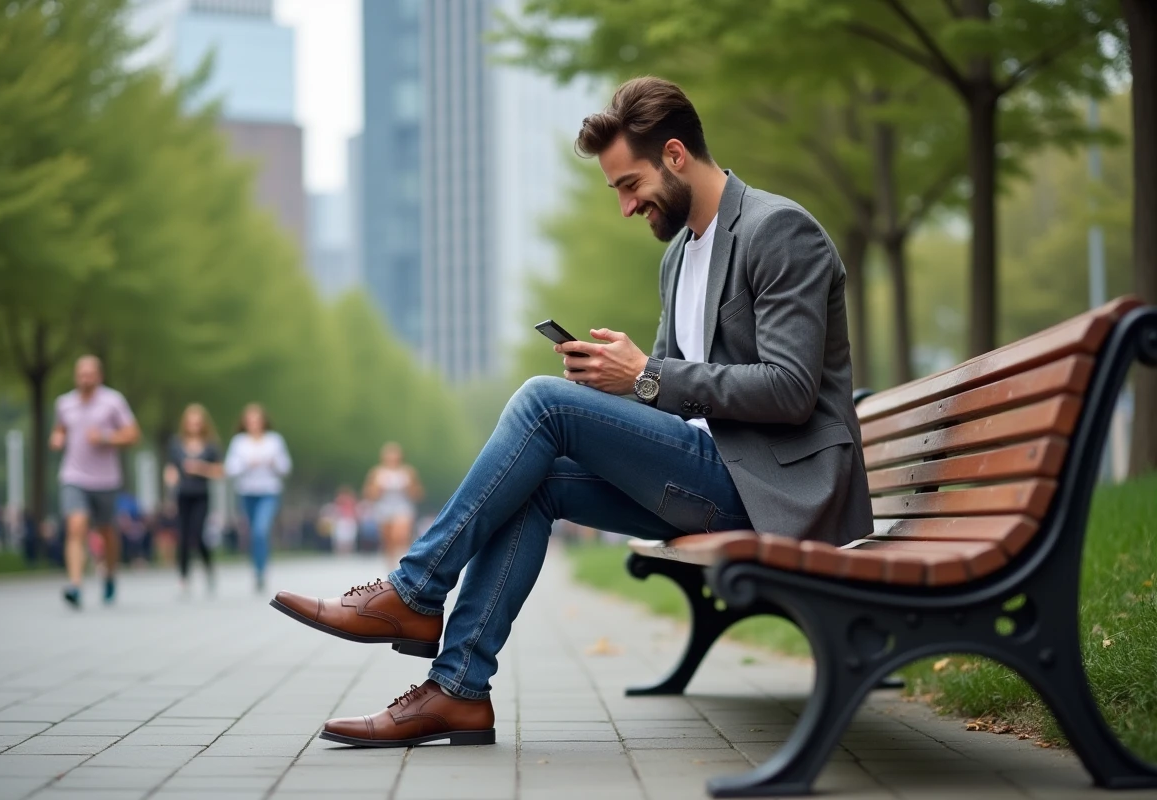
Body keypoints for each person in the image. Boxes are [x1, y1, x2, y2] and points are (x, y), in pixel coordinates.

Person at [271, 77, 872, 748]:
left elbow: (790, 389)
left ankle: (413, 593)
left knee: (541, 401)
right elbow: (671, 391)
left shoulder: (777, 230)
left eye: (629, 184)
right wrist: (617, 380)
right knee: (534, 480)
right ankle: (458, 689)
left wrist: (644, 375)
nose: (625, 206)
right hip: (714, 477)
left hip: (772, 491)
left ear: (676, 155)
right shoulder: (679, 258)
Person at [50, 355, 141, 608]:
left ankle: (109, 575)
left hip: (106, 480)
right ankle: (75, 585)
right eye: (81, 374)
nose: (85, 378)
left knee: (107, 532)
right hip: (73, 475)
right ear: (75, 376)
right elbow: (60, 429)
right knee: (76, 527)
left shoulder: (113, 401)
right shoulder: (64, 403)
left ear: (99, 376)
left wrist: (105, 437)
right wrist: (57, 437)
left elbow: (133, 434)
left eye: (90, 374)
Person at [224, 403, 291, 591]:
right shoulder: (239, 442)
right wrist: (246, 464)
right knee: (253, 533)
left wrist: (274, 463)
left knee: (261, 530)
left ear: (263, 421)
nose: (254, 424)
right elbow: (230, 468)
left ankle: (262, 569)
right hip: (247, 492)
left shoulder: (274, 440)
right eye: (250, 420)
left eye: (257, 420)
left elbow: (286, 467)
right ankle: (256, 567)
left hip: (269, 491)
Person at [164, 403, 224, 595]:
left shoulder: (211, 446)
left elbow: (219, 472)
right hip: (182, 495)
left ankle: (208, 567)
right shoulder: (176, 444)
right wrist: (170, 478)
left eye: (198, 422)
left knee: (197, 534)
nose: (194, 426)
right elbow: (171, 468)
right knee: (182, 536)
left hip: (200, 495)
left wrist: (199, 468)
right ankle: (183, 576)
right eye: (191, 422)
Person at [363, 443, 423, 568]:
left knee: (400, 534)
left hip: (402, 507)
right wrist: (378, 489)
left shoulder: (407, 472)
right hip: (384, 508)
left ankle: (405, 559)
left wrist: (409, 488)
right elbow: (368, 494)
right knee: (388, 540)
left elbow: (418, 493)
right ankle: (391, 565)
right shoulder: (377, 472)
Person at [331, 486, 361, 555]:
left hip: (350, 520)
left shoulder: (352, 501)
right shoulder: (339, 501)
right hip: (341, 520)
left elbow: (355, 511)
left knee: (350, 539)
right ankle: (340, 552)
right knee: (340, 539)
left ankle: (349, 552)